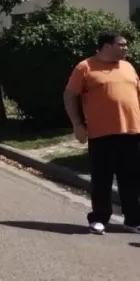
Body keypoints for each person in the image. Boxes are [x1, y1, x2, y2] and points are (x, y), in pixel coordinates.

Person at [63, 31, 140, 234]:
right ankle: (99, 218)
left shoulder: (128, 67)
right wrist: (77, 124)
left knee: (131, 179)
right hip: (101, 133)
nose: (126, 48)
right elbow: (70, 95)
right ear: (106, 46)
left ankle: (132, 220)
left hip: (131, 131)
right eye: (121, 45)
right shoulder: (85, 67)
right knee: (102, 179)